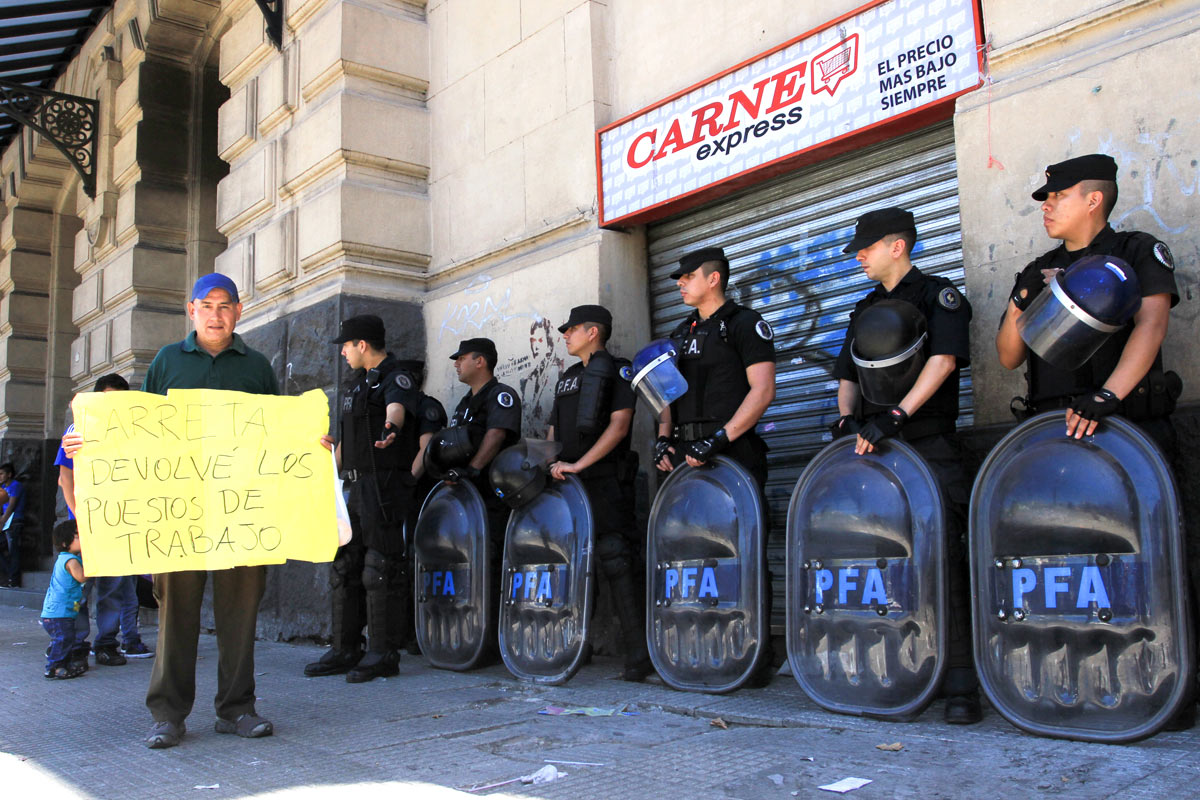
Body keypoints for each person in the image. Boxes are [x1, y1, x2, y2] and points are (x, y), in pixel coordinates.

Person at [65, 273, 279, 748]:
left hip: (241, 512)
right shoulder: (166, 362)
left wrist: (311, 443)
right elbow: (137, 429)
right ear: (191, 310)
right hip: (178, 512)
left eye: (225, 306)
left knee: (240, 615)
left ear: (239, 312)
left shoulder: (258, 368)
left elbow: (277, 434)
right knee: (175, 616)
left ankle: (237, 708)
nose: (216, 314)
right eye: (207, 305)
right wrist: (87, 442)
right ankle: (168, 714)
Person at [831, 207, 979, 724]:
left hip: (926, 440)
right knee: (884, 561)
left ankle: (960, 681)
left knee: (945, 558)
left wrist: (897, 415)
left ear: (898, 246)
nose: (858, 256)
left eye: (865, 247)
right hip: (875, 448)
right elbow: (847, 371)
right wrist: (848, 419)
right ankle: (899, 667)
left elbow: (943, 361)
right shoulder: (863, 307)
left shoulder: (938, 296)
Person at [995, 153, 1180, 452]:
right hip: (1054, 428)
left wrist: (1107, 395)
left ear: (1093, 201)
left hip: (1124, 421)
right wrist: (1020, 300)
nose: (1046, 205)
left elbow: (1152, 326)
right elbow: (1008, 357)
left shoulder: (1135, 251)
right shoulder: (1037, 269)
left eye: (1059, 195)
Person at [654, 246, 777, 685]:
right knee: (691, 555)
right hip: (687, 457)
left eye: (687, 277)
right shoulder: (679, 331)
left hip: (733, 452)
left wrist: (721, 438)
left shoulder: (745, 324)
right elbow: (667, 393)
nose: (680, 284)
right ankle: (701, 644)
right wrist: (664, 439)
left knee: (742, 554)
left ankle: (753, 653)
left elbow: (762, 391)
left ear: (714, 279)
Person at [307, 315, 422, 683]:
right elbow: (346, 443)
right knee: (345, 565)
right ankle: (345, 648)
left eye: (346, 344)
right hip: (353, 487)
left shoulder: (394, 375)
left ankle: (382, 652)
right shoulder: (357, 384)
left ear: (362, 344)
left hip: (382, 485)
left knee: (379, 568)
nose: (341, 351)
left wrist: (392, 428)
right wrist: (326, 463)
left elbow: (396, 409)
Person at [547, 305, 652, 681]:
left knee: (617, 561)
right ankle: (576, 647)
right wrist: (553, 465)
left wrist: (581, 464)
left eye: (572, 329)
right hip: (570, 483)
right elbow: (553, 432)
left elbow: (620, 426)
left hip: (606, 480)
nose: (565, 335)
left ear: (593, 332)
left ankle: (639, 655)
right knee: (573, 563)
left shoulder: (618, 370)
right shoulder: (568, 378)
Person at [57, 373, 153, 668]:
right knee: (79, 589)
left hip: (118, 522)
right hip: (84, 525)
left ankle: (107, 643)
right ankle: (76, 645)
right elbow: (65, 478)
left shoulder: (132, 433)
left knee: (113, 587)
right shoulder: (78, 430)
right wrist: (79, 520)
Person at [445, 338, 522, 550]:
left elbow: (496, 434)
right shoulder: (465, 402)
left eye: (461, 358)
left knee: (490, 554)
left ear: (480, 361)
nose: (456, 364)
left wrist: (471, 470)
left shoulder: (500, 395)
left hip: (492, 494)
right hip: (467, 496)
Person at [41, 520, 87, 680]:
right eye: (77, 536)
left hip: (61, 611)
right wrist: (94, 565)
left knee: (66, 639)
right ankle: (54, 667)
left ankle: (63, 664)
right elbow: (81, 577)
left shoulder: (65, 558)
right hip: (59, 612)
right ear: (64, 542)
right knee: (64, 639)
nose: (82, 539)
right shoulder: (71, 561)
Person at [0, 461, 26, 588]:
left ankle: (13, 580)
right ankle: (8, 575)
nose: (0, 476)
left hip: (14, 521)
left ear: (9, 474)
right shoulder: (4, 488)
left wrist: (2, 521)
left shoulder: (16, 486)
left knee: (13, 550)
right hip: (6, 523)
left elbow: (11, 505)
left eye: (2, 474)